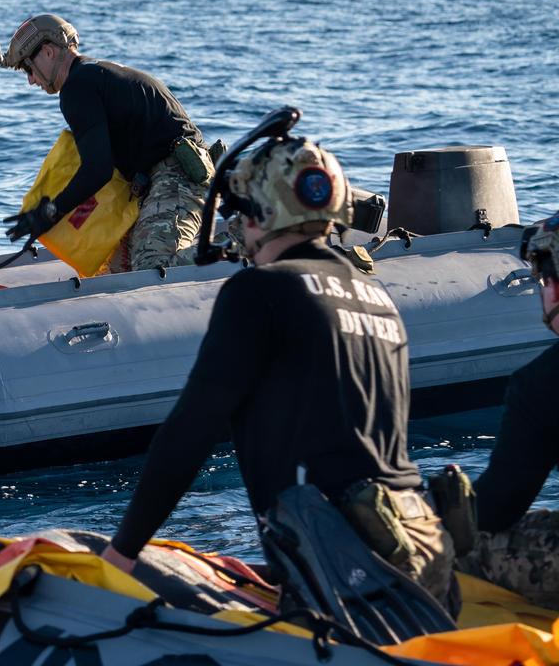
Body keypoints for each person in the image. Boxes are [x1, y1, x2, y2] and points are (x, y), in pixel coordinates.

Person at [100, 136, 458, 613]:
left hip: (350, 576)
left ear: (264, 215)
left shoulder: (260, 291)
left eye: (244, 211)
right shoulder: (377, 299)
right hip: (426, 560)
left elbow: (190, 432)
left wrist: (120, 553)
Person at [0, 14, 210, 271]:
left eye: (28, 68)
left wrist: (50, 213)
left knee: (153, 269)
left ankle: (240, 243)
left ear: (49, 52)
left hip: (177, 178)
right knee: (114, 273)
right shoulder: (94, 74)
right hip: (160, 179)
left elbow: (97, 170)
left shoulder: (77, 88)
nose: (30, 80)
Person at [454, 212, 559, 604]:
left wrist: (436, 518)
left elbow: (497, 508)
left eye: (544, 280)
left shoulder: (542, 383)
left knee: (464, 550)